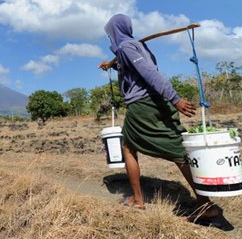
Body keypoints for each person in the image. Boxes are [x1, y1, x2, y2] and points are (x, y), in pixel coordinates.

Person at [99, 14, 233, 231]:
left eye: (109, 33)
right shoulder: (132, 48)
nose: (109, 38)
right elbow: (135, 72)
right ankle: (201, 205)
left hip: (144, 106)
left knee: (172, 153)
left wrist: (175, 98)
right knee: (134, 146)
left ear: (115, 31)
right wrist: (112, 66)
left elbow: (150, 73)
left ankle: (204, 206)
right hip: (152, 103)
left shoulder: (126, 48)